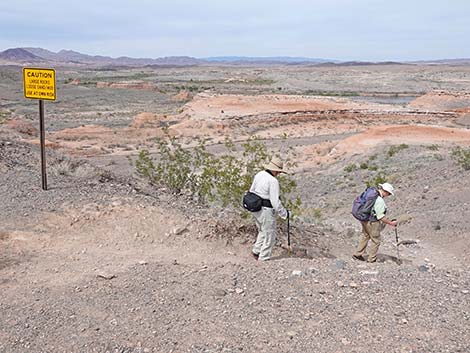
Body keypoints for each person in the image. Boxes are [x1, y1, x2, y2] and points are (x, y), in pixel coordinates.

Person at [250, 156, 289, 261]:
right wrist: (284, 213)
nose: (279, 173)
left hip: (255, 208)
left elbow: (252, 190)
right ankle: (264, 258)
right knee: (269, 235)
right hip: (266, 210)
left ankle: (256, 251)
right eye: (278, 171)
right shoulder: (273, 181)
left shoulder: (259, 174)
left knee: (262, 231)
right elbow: (275, 202)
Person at [353, 182, 398, 263]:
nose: (388, 195)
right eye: (389, 194)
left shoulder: (371, 194)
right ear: (386, 192)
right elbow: (380, 217)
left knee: (365, 235)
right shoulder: (379, 200)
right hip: (373, 222)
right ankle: (371, 259)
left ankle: (357, 254)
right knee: (376, 240)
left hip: (364, 219)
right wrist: (391, 223)